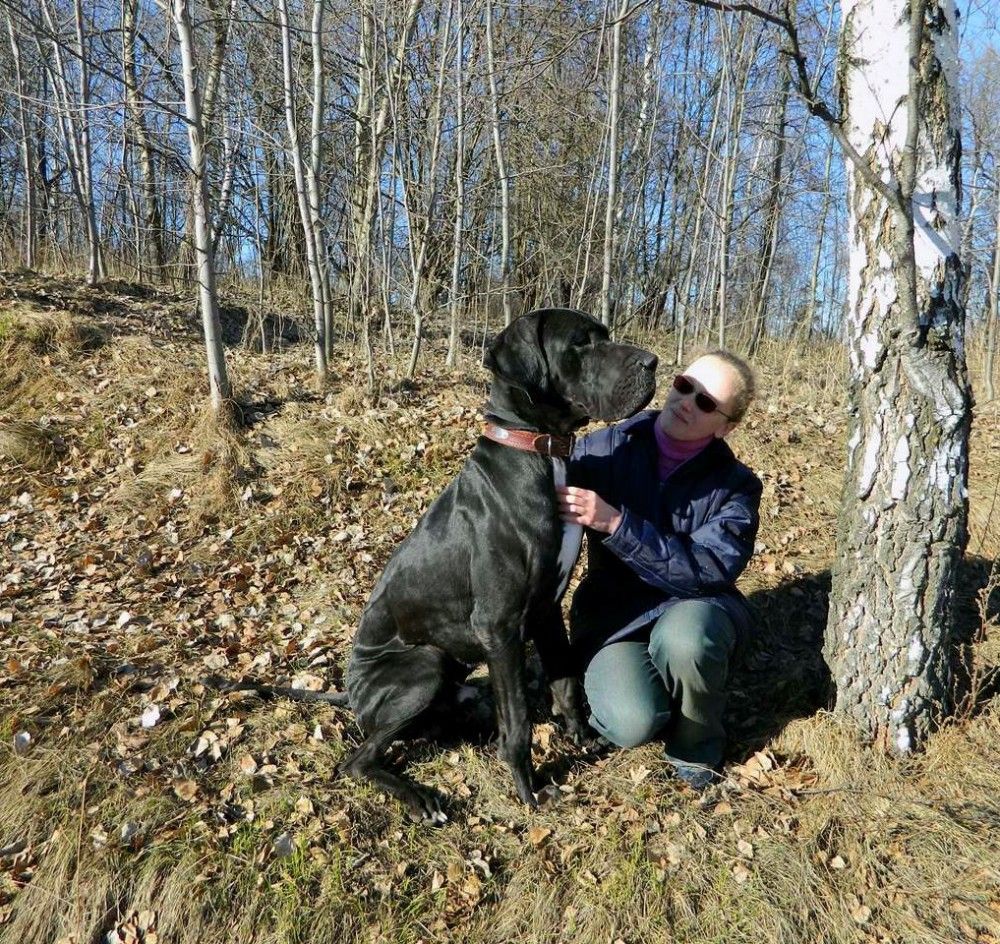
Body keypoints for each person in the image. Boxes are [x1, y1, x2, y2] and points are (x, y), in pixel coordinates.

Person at [555, 349, 762, 790]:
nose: (686, 402)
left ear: (725, 426)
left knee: (686, 641)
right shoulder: (603, 447)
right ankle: (669, 688)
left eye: (705, 402)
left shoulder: (736, 486)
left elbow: (707, 569)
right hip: (614, 618)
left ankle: (696, 745)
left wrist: (617, 524)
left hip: (695, 608)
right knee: (632, 722)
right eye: (684, 386)